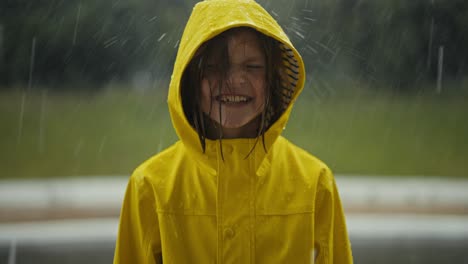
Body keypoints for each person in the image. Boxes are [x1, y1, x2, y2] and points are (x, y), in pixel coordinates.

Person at [114, 0, 353, 263]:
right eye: (214, 66)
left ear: (272, 78)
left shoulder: (314, 183)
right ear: (190, 78)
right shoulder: (150, 188)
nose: (234, 80)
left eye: (252, 67)